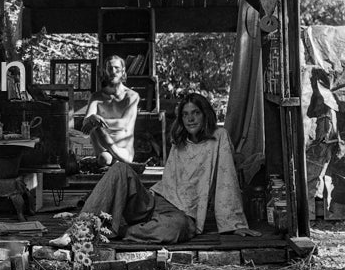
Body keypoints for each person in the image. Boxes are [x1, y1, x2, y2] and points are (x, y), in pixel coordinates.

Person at [52, 92, 261, 245]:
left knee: (173, 230)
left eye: (196, 113)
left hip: (182, 215)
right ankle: (76, 233)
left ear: (205, 115)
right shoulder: (179, 140)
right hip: (155, 202)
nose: (190, 118)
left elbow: (227, 180)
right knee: (120, 170)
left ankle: (117, 229)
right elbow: (169, 184)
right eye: (186, 114)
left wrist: (235, 224)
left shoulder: (219, 138)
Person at [82, 56, 139, 166]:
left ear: (123, 71)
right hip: (103, 151)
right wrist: (92, 118)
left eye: (116, 68)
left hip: (123, 151)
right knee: (104, 157)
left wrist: (97, 123)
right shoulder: (96, 97)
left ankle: (116, 155)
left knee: (96, 128)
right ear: (105, 71)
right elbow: (85, 124)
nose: (113, 71)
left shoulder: (132, 96)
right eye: (110, 68)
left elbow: (124, 123)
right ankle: (110, 155)